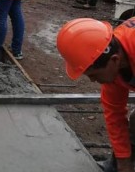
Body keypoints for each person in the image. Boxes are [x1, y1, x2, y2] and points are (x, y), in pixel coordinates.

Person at [57, 17, 135, 172]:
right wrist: (123, 165)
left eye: (94, 75)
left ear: (114, 60)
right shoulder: (114, 58)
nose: (92, 80)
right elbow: (115, 115)